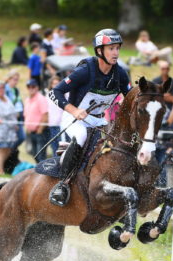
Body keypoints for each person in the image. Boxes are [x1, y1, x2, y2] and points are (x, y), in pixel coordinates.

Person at [47, 28, 131, 206]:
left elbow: (130, 97)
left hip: (100, 120)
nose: (116, 53)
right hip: (75, 118)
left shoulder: (121, 74)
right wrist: (74, 110)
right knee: (82, 137)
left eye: (117, 48)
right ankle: (63, 184)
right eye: (111, 48)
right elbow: (55, 92)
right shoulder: (85, 71)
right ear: (100, 51)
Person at [23, 79, 49, 163]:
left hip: (40, 132)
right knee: (34, 153)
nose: (31, 88)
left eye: (33, 86)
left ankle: (43, 173)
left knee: (40, 155)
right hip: (31, 132)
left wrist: (40, 130)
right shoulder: (27, 99)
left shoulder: (41, 99)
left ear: (37, 87)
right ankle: (39, 172)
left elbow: (45, 115)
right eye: (29, 87)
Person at [3, 70, 25, 147]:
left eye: (17, 80)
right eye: (15, 79)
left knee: (21, 137)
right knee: (14, 138)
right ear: (9, 79)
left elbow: (19, 102)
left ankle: (11, 154)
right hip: (10, 119)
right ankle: (8, 154)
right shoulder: (5, 90)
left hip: (19, 117)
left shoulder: (16, 90)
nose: (16, 82)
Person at [46, 76, 63, 156]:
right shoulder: (48, 96)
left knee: (61, 148)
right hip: (52, 125)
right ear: (51, 85)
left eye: (58, 83)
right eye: (54, 84)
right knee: (54, 147)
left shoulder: (64, 95)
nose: (56, 85)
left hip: (61, 125)